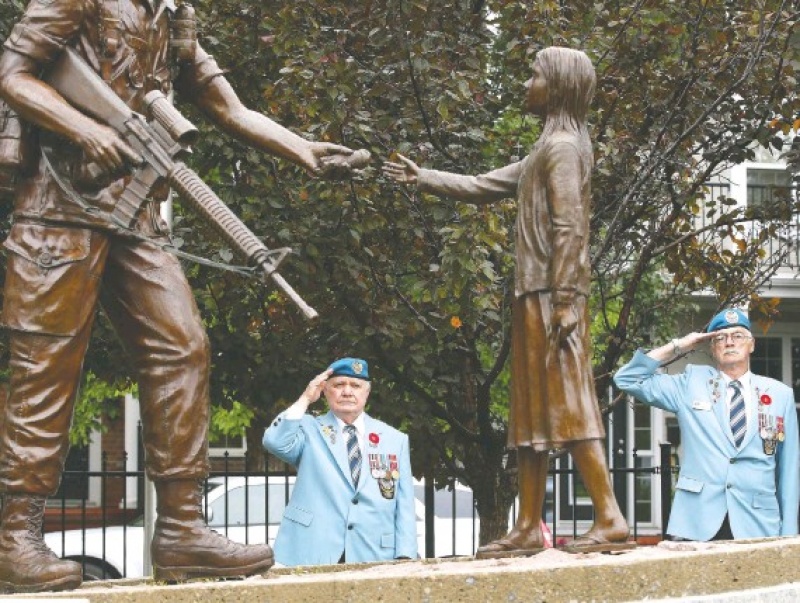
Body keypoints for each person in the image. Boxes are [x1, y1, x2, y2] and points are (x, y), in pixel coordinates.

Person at [0, 0, 359, 593]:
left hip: (137, 217)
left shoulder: (171, 13)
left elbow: (227, 107)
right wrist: (86, 129)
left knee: (183, 349)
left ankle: (181, 529)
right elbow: (13, 73)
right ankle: (16, 538)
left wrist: (302, 148)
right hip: (58, 214)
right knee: (46, 370)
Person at [382, 46, 631, 558]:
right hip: (535, 294)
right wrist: (421, 176)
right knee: (532, 413)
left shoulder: (563, 148)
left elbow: (570, 227)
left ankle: (609, 518)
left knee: (569, 404)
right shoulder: (547, 148)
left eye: (534, 75)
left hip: (552, 295)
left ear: (558, 86)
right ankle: (527, 525)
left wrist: (565, 299)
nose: (526, 84)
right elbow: (481, 185)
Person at [614, 308, 800, 541]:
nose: (729, 342)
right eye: (720, 338)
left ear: (751, 344)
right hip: (697, 520)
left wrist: (789, 535)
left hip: (758, 522)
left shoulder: (780, 395)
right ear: (712, 348)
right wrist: (679, 345)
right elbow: (627, 378)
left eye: (738, 335)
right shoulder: (690, 383)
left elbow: (789, 470)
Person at [263, 358, 418, 566]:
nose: (347, 392)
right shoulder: (309, 428)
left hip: (374, 552)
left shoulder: (394, 439)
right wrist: (306, 398)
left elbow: (404, 504)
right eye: (338, 385)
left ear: (367, 392)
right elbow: (274, 441)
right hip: (313, 550)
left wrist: (406, 555)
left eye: (355, 385)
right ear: (325, 391)